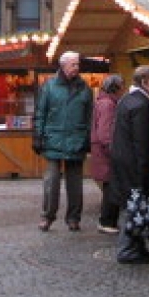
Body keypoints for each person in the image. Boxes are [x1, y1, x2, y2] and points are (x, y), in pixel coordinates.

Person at [33, 50, 93, 231]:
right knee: (51, 181)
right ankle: (47, 216)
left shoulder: (85, 89)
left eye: (77, 64)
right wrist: (38, 135)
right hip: (54, 139)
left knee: (75, 184)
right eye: (73, 64)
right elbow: (40, 113)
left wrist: (88, 138)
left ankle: (73, 218)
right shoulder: (49, 87)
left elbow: (90, 116)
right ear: (63, 65)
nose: (77, 67)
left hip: (77, 139)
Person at [111, 65, 149, 265]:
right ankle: (127, 249)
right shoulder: (141, 106)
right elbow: (142, 142)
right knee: (135, 205)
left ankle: (137, 246)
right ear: (144, 82)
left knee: (135, 205)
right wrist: (143, 171)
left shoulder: (128, 101)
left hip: (124, 162)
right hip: (133, 164)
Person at [89, 74, 124, 234]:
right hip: (107, 154)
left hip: (102, 152)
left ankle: (107, 220)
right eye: (121, 86)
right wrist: (114, 151)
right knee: (111, 187)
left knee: (110, 187)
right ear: (116, 88)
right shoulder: (108, 105)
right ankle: (107, 221)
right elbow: (105, 132)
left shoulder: (102, 102)